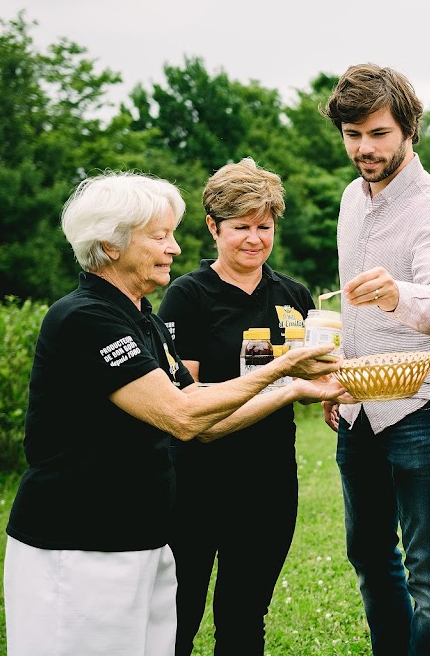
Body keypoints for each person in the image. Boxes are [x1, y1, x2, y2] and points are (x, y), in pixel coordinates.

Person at [3, 171, 351, 656]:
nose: (174, 249)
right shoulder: (86, 318)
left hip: (134, 534)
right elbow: (183, 416)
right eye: (160, 236)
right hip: (80, 540)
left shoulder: (140, 318)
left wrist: (293, 389)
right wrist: (286, 367)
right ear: (111, 244)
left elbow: (206, 420)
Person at [320, 63, 430, 656]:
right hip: (359, 405)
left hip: (423, 406)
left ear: (409, 128)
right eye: (353, 134)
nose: (364, 148)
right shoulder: (348, 202)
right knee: (368, 556)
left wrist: (396, 293)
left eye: (378, 133)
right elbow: (352, 315)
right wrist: (340, 378)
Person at [156, 158, 321, 654]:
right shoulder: (186, 296)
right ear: (213, 227)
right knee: (178, 613)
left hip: (269, 480)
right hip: (196, 480)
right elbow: (185, 398)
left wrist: (339, 394)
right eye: (240, 227)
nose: (254, 239)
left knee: (244, 612)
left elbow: (320, 368)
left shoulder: (293, 296)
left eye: (264, 227)